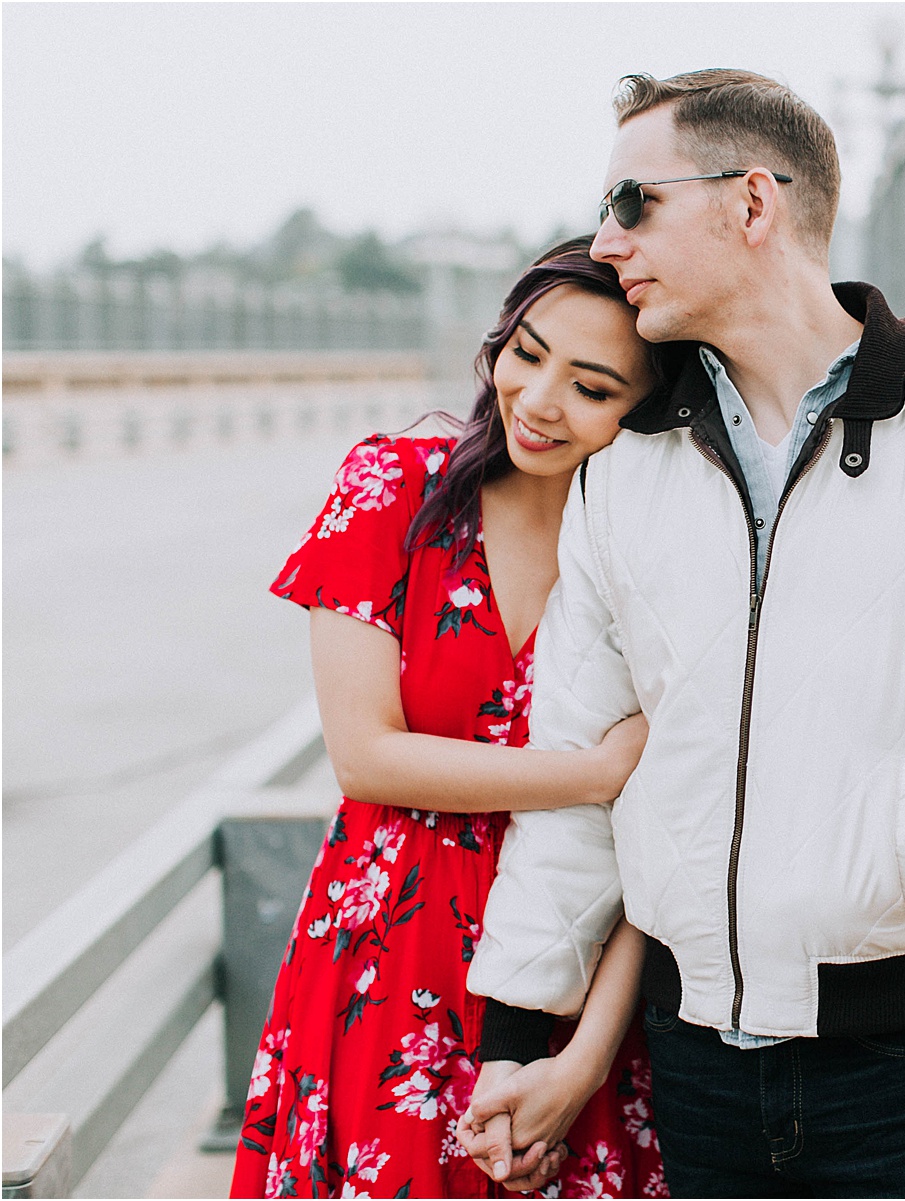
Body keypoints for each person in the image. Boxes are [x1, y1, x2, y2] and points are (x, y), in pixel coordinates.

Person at [460, 70, 905, 1198]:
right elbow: (580, 761)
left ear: (752, 203)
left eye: (633, 204)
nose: (606, 242)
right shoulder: (625, 475)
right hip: (691, 1064)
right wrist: (518, 1030)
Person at [230, 240, 687, 1199]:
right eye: (527, 353)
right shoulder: (393, 488)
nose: (539, 400)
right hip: (389, 964)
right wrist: (592, 774)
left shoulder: (655, 553)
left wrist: (590, 1058)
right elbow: (366, 756)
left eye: (593, 388)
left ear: (646, 409)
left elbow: (661, 839)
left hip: (573, 983)